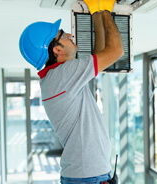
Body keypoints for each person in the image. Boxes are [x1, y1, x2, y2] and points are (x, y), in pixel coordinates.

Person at [19, 0, 124, 183]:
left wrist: (96, 12)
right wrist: (106, 10)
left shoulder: (58, 78)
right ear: (57, 49)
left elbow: (101, 52)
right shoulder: (63, 76)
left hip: (86, 175)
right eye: (63, 35)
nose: (69, 34)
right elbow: (115, 51)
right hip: (87, 177)